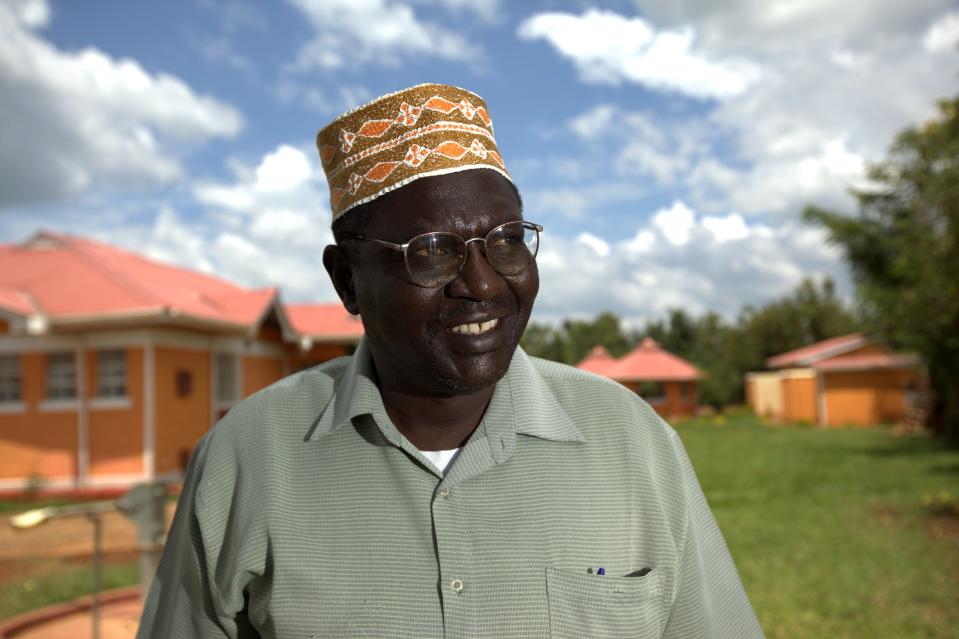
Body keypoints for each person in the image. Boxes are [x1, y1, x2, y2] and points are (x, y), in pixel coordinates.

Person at [137, 83, 764, 638]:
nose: (484, 284)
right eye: (432, 251)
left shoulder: (632, 440)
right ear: (347, 280)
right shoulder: (247, 458)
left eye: (508, 241)